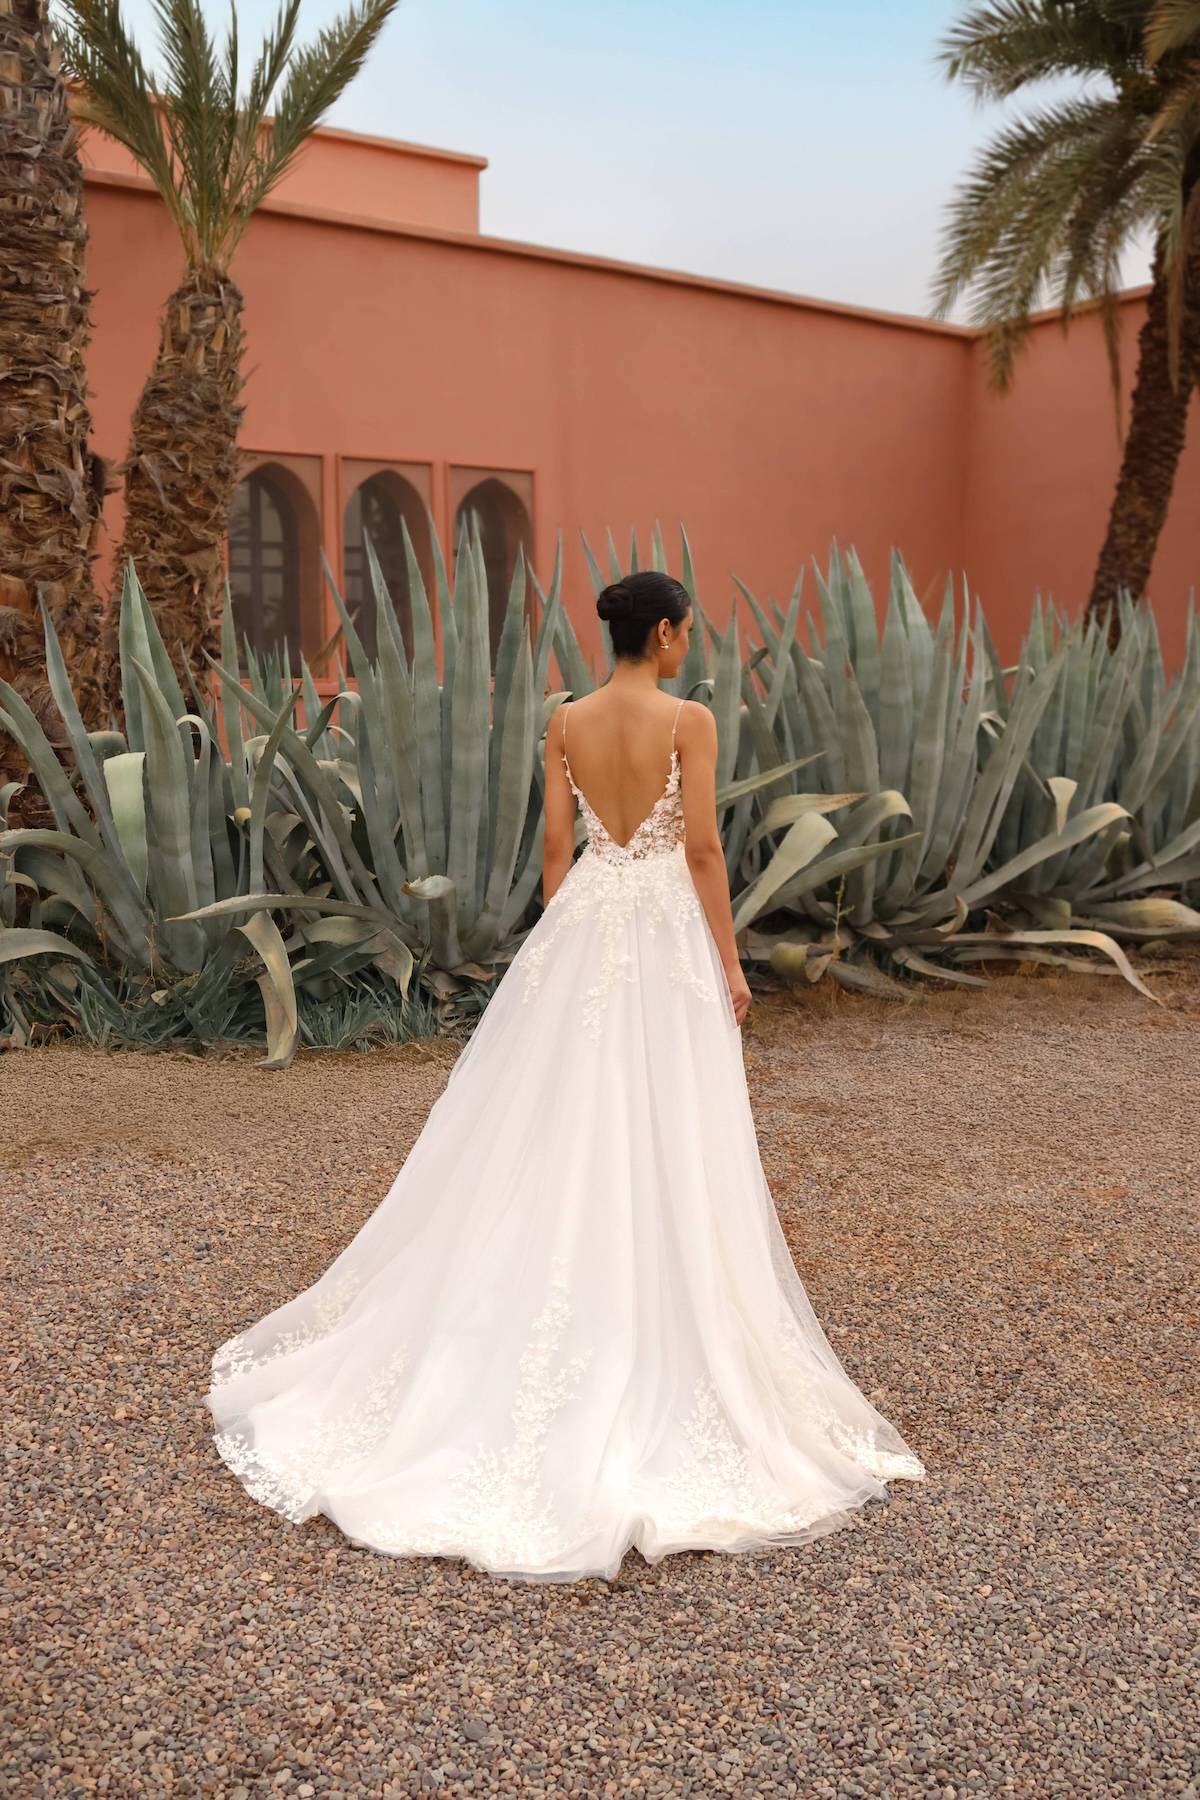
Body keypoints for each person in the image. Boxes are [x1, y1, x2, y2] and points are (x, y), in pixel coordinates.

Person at [206, 570, 925, 1583]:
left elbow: (554, 845)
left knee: (553, 1123)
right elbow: (708, 848)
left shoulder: (566, 719)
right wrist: (727, 960)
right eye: (687, 632)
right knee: (670, 1115)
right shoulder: (689, 718)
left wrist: (564, 944)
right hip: (667, 926)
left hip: (589, 918)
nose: (688, 647)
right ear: (666, 633)